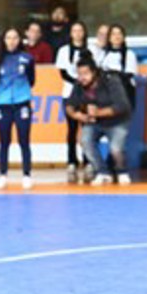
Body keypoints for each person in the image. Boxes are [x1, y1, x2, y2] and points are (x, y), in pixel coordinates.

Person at [66, 57, 132, 185]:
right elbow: (69, 105)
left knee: (115, 149)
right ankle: (102, 172)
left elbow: (122, 106)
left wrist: (99, 113)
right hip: (94, 122)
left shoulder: (111, 81)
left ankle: (121, 171)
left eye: (85, 73)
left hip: (117, 121)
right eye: (79, 74)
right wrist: (77, 115)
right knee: (85, 141)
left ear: (94, 72)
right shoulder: (79, 85)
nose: (82, 77)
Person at [0, 28, 36, 190]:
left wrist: (21, 94)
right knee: (4, 141)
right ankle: (3, 175)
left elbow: (31, 79)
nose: (11, 41)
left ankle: (26, 174)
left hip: (22, 104)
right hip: (3, 105)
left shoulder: (27, 58)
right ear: (3, 40)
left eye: (15, 37)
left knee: (24, 140)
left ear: (20, 40)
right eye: (8, 37)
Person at [55, 21, 90, 182]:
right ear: (70, 33)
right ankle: (71, 160)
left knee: (87, 129)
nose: (77, 33)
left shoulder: (91, 49)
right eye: (74, 30)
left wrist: (85, 83)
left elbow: (94, 71)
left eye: (80, 30)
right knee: (72, 129)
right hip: (69, 94)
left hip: (88, 94)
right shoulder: (64, 51)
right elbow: (62, 73)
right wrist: (77, 81)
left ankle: (88, 160)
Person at [97, 24, 139, 108]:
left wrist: (110, 73)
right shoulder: (102, 54)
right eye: (113, 34)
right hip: (106, 95)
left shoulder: (129, 54)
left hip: (124, 94)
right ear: (109, 37)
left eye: (119, 33)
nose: (117, 36)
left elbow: (129, 74)